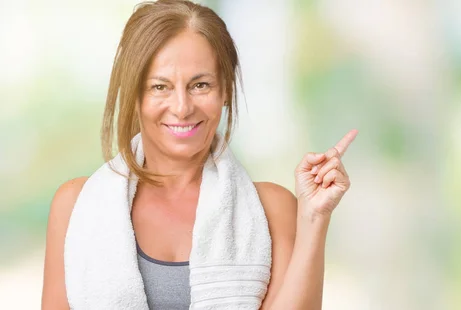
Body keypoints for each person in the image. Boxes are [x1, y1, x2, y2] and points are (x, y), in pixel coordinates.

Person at [41, 0, 357, 309]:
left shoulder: (273, 209)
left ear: (225, 92)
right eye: (160, 87)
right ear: (134, 94)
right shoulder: (76, 205)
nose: (182, 107)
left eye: (200, 85)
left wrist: (315, 217)